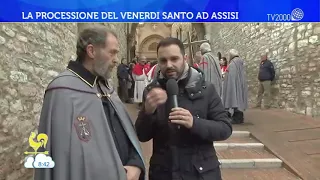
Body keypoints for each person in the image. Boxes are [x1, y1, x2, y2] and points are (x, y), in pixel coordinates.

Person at [34, 25, 145, 180]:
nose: (116, 60)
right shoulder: (62, 91)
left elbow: (126, 134)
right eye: (112, 52)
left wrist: (135, 163)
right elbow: (65, 157)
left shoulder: (106, 87)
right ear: (91, 51)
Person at [135, 37, 232, 180]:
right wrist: (147, 112)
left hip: (200, 173)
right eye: (163, 60)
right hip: (164, 173)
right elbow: (142, 135)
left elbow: (225, 128)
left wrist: (194, 122)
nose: (169, 65)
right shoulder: (152, 91)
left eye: (174, 59)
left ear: (185, 58)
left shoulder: (206, 89)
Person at [222, 49, 248, 124]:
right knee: (239, 99)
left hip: (234, 86)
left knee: (236, 99)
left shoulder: (233, 64)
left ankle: (237, 118)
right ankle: (239, 116)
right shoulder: (240, 62)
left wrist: (229, 87)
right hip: (240, 84)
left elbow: (231, 78)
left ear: (231, 55)